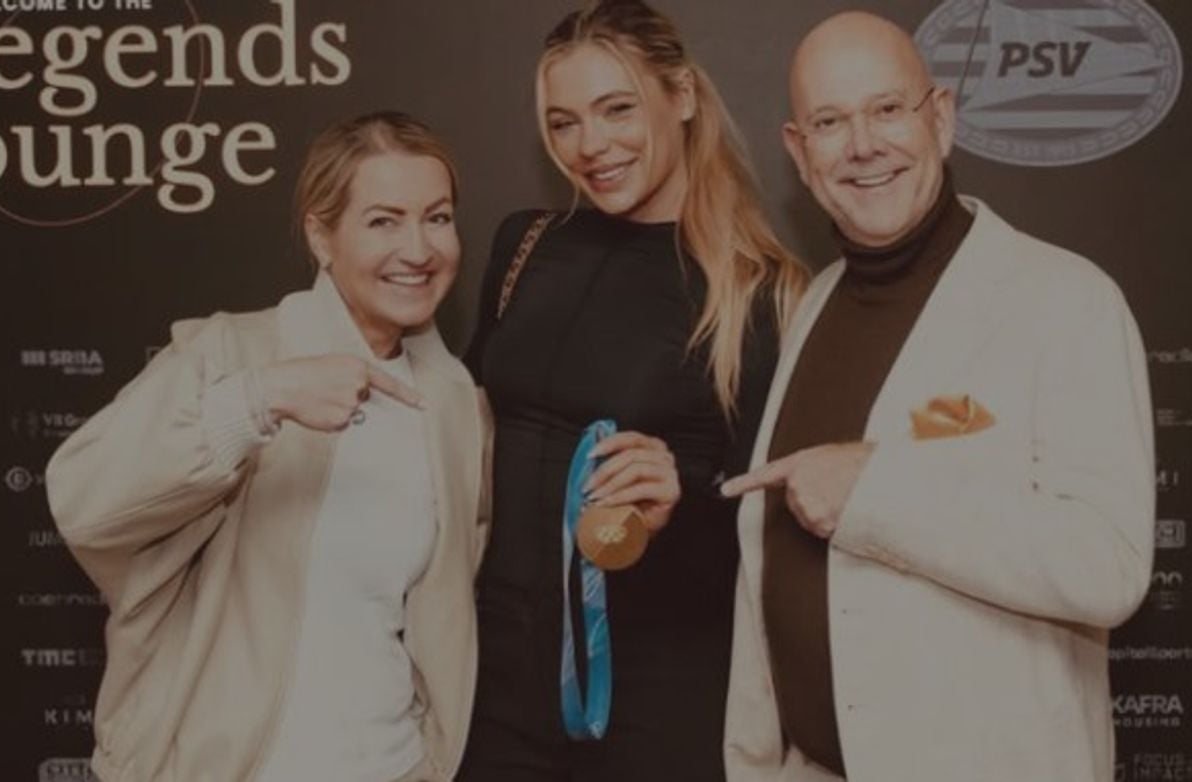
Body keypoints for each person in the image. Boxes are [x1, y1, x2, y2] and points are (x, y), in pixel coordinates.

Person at [720, 11, 1155, 782]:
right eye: (830, 121)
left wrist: (876, 493)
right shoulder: (815, 301)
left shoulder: (1066, 301)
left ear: (942, 117)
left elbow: (1109, 564)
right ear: (799, 150)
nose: (862, 146)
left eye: (888, 109)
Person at [45, 112, 487, 782]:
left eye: (438, 216)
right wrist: (258, 400)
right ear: (321, 234)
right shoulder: (232, 353)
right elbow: (84, 502)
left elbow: (443, 613)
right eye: (383, 220)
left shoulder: (455, 403)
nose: (419, 248)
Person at [458, 2, 808, 780]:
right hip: (496, 690)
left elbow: (772, 541)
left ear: (681, 96)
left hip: (661, 698)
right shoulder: (525, 245)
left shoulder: (758, 291)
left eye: (617, 109)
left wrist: (681, 496)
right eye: (564, 122)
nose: (592, 146)